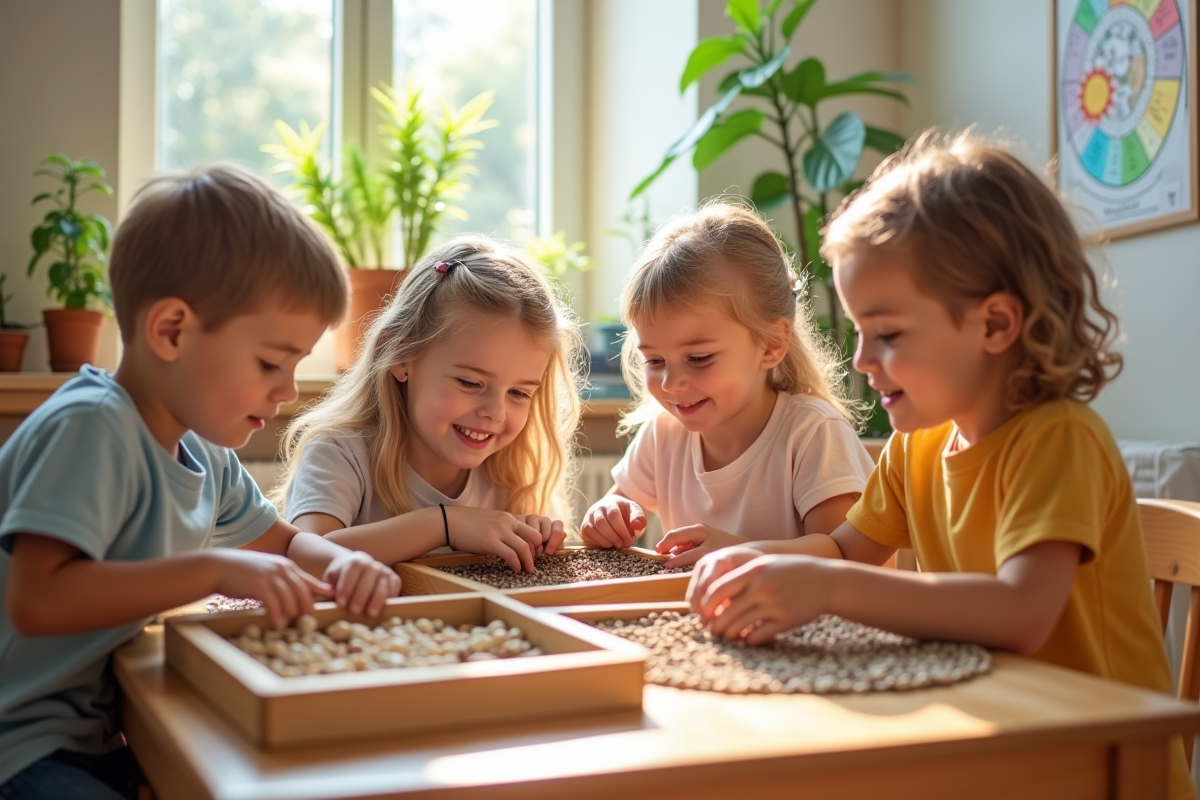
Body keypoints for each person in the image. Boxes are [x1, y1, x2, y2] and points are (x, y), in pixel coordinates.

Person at [688, 133, 1193, 799]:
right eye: (859, 332)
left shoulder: (1059, 439)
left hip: (1100, 766)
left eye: (888, 334)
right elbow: (846, 550)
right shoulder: (918, 444)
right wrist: (760, 562)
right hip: (995, 741)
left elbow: (1020, 612)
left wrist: (824, 589)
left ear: (994, 325)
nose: (863, 359)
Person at [0, 164, 402, 799]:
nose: (288, 390)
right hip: (20, 744)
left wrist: (341, 563)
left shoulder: (200, 448)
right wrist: (215, 573)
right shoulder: (91, 428)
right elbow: (37, 600)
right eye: (271, 361)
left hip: (101, 729)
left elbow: (286, 542)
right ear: (172, 330)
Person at [580, 203, 875, 568]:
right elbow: (618, 505)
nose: (671, 384)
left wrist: (740, 554)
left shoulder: (812, 433)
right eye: (655, 361)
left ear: (771, 344)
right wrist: (607, 514)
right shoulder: (664, 432)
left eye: (700, 358)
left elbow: (848, 558)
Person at [275, 236, 586, 574]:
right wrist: (444, 524)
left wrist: (534, 540)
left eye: (519, 393)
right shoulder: (339, 451)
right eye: (470, 383)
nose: (495, 412)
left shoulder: (511, 470)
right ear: (400, 354)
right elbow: (305, 556)